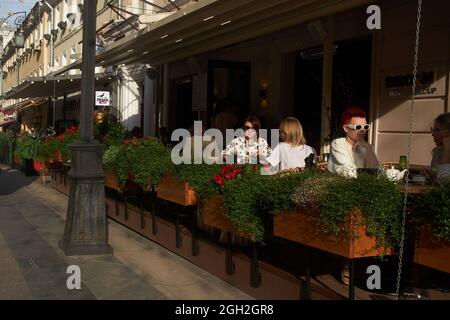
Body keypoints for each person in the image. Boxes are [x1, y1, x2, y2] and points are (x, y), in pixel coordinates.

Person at [327, 106, 379, 176]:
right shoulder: (338, 144)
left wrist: (369, 149)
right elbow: (349, 173)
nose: (362, 130)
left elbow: (379, 172)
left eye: (366, 127)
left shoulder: (365, 147)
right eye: (358, 127)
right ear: (346, 128)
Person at [427, 112, 450, 183]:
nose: (433, 134)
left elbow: (445, 181)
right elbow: (440, 177)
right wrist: (431, 174)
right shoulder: (438, 151)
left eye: (437, 130)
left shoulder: (447, 150)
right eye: (433, 130)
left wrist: (447, 149)